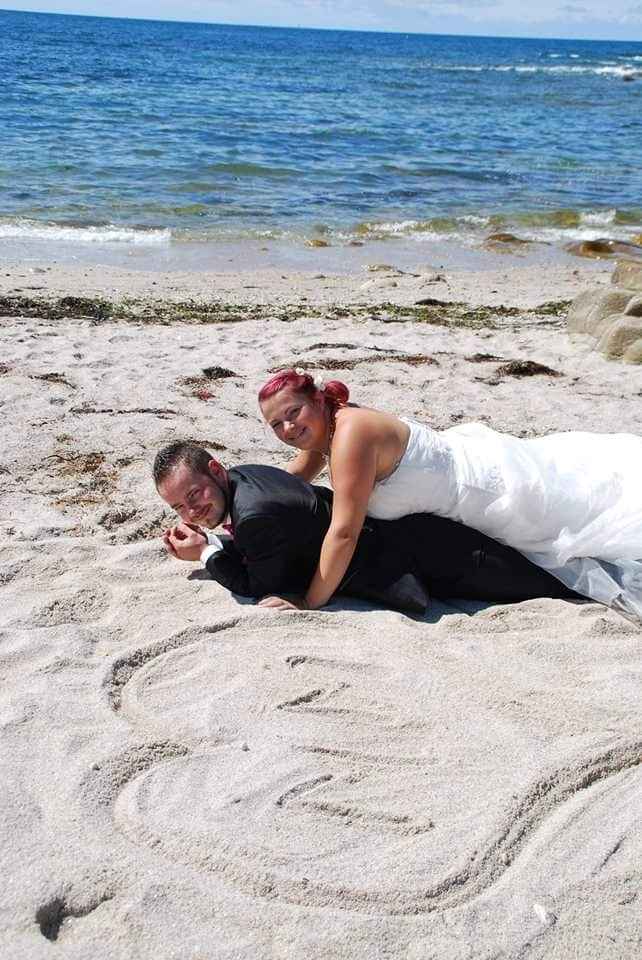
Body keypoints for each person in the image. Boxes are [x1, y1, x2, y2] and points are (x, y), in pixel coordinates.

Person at [258, 370, 642, 622]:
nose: (289, 427)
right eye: (276, 423)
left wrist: (309, 601)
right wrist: (240, 502)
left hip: (493, 494)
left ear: (319, 401)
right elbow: (294, 475)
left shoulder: (350, 436)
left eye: (294, 412)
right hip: (472, 462)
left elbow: (344, 533)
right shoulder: (326, 428)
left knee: (595, 528)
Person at [153, 441, 580, 614]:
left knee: (554, 583)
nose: (191, 511)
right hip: (408, 532)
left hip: (420, 561)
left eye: (195, 496)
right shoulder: (243, 477)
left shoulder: (256, 514)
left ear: (215, 470)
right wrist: (214, 535)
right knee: (544, 562)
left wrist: (206, 553)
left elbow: (253, 583)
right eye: (179, 507)